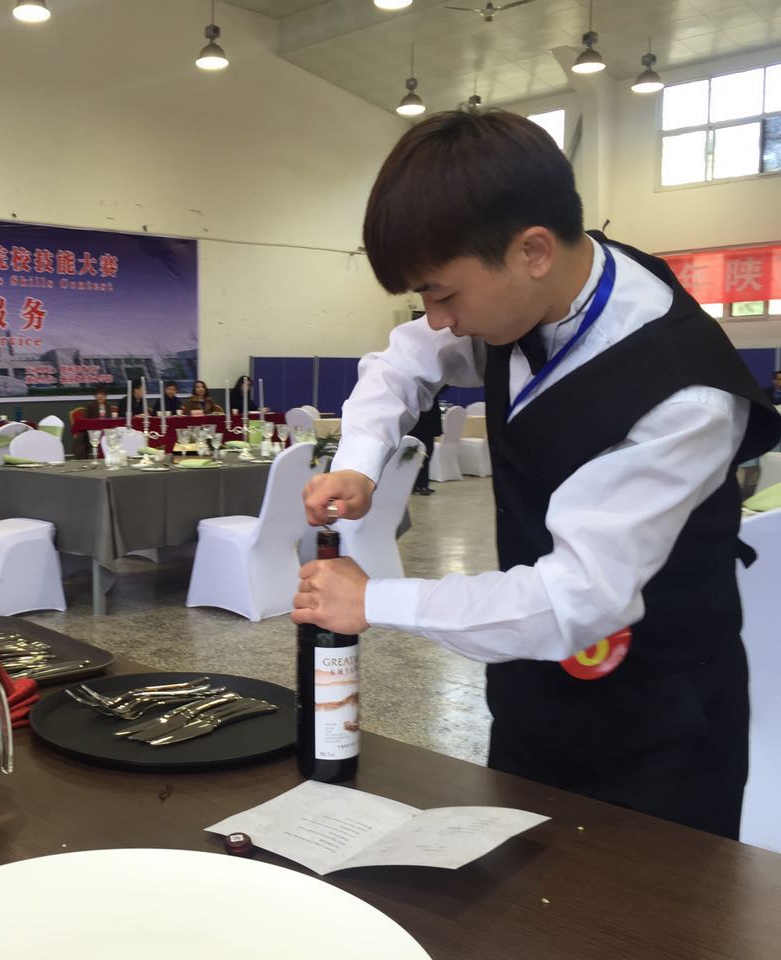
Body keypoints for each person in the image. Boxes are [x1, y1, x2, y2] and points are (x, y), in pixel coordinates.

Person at [294, 110, 781, 839]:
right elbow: (404, 361)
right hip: (530, 683)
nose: (437, 319)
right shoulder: (525, 297)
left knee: (644, 902)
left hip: (661, 720)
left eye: (443, 295)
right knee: (516, 877)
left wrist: (375, 599)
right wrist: (360, 463)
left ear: (533, 251)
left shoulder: (683, 395)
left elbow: (574, 599)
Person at [407, 391, 443, 495]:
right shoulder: (419, 390)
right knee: (420, 454)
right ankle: (417, 484)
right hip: (421, 424)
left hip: (428, 423)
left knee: (428, 453)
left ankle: (423, 484)